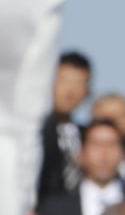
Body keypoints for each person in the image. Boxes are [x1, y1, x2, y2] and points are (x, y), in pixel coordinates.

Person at [37, 50, 92, 200]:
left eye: (78, 83)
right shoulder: (35, 132)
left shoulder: (90, 136)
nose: (70, 91)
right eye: (64, 81)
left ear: (88, 91)